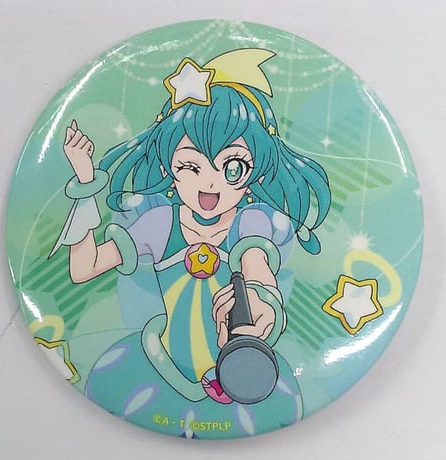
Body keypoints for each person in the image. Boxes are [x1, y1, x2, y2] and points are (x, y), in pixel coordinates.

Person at [52, 49, 331, 438]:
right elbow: (84, 269)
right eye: (191, 165)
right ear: (168, 166)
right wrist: (85, 186)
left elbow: (255, 266)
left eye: (232, 167)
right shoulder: (159, 223)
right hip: (155, 366)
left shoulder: (251, 223)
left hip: (243, 368)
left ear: (255, 172)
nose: (210, 182)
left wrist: (262, 301)